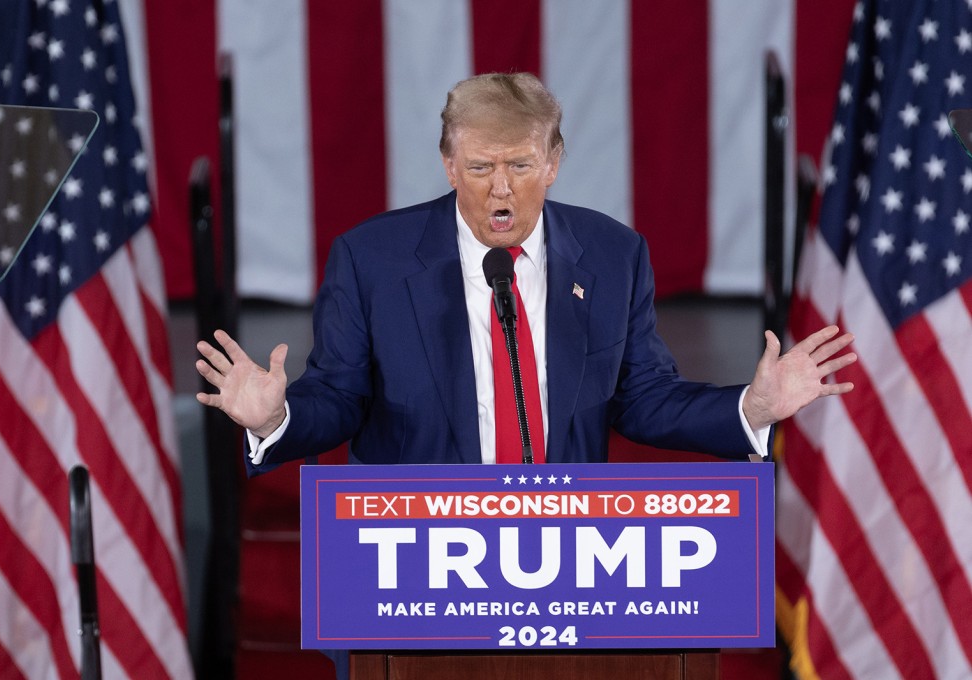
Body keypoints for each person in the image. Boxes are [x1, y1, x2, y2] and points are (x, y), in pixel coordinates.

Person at [195, 71, 855, 474]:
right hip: (410, 565)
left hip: (562, 563)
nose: (500, 189)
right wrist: (274, 419)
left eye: (520, 165)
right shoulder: (372, 260)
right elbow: (339, 398)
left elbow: (644, 398)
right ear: (449, 165)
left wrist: (752, 408)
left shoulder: (613, 256)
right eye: (480, 168)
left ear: (554, 162)